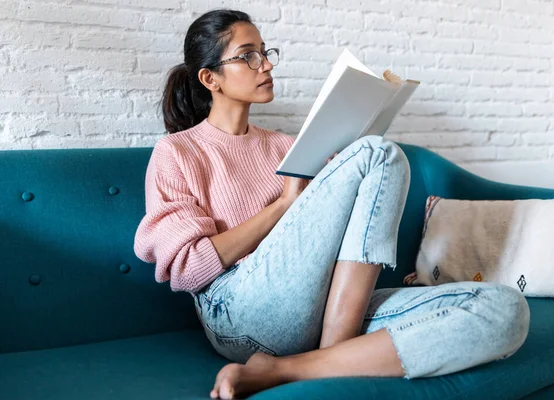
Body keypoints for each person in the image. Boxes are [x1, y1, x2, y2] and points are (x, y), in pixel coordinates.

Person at [133, 9, 531, 400]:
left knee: (503, 310)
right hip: (237, 313)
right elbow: (186, 269)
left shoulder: (283, 146)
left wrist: (334, 186)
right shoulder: (177, 152)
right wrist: (285, 204)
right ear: (210, 78)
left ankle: (304, 366)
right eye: (248, 55)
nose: (266, 65)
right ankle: (330, 356)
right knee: (379, 153)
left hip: (319, 304)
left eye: (266, 52)